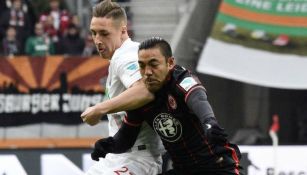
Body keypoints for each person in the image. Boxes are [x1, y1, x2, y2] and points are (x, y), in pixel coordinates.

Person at [90, 37, 244, 175]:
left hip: (217, 166)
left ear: (170, 63)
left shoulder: (181, 79)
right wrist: (108, 145)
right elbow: (126, 138)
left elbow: (198, 99)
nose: (147, 72)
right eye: (142, 66)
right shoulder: (140, 96)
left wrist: (210, 121)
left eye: (153, 64)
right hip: (183, 170)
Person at [81, 1, 164, 175]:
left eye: (104, 33)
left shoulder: (126, 56)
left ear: (123, 31)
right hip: (117, 157)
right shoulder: (120, 57)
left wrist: (99, 109)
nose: (97, 40)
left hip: (139, 159)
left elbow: (145, 91)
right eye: (93, 33)